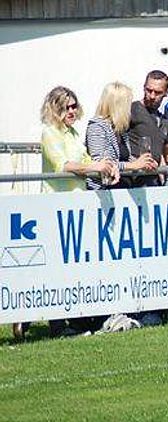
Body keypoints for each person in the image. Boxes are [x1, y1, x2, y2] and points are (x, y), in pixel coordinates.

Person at [13, 87, 118, 340]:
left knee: (70, 269)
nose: (72, 111)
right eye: (67, 107)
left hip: (76, 208)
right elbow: (65, 165)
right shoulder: (49, 133)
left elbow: (86, 160)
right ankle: (54, 324)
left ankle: (60, 319)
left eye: (74, 106)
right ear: (55, 108)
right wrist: (95, 166)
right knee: (53, 271)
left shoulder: (72, 133)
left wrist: (108, 169)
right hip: (54, 208)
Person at [85, 82, 159, 189]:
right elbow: (101, 163)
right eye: (128, 103)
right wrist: (134, 165)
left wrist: (145, 163)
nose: (130, 108)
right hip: (103, 190)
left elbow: (125, 158)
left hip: (122, 188)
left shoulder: (120, 129)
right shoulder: (97, 126)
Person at [128, 70, 168, 187]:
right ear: (144, 88)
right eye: (149, 90)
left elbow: (164, 153)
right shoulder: (131, 110)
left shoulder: (164, 119)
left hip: (154, 179)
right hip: (134, 178)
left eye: (158, 92)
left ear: (166, 93)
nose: (152, 96)